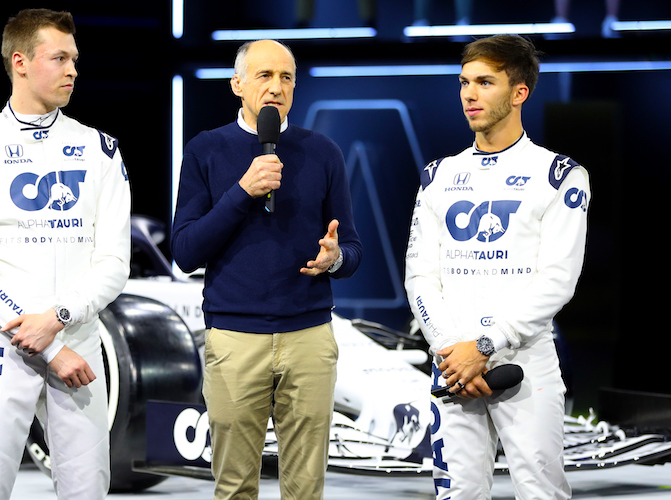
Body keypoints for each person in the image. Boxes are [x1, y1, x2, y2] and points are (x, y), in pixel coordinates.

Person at [0, 8, 131, 499]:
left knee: (88, 492)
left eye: (75, 59)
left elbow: (114, 263)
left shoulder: (102, 150)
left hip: (81, 345)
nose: (73, 70)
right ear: (20, 61)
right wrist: (48, 344)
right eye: (60, 58)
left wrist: (60, 319)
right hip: (3, 348)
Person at [171, 39, 362, 500]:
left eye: (286, 77)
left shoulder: (323, 152)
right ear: (237, 84)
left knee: (305, 489)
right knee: (235, 488)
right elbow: (185, 251)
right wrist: (241, 192)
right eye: (264, 76)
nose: (276, 87)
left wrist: (335, 258)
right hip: (235, 341)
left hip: (309, 339)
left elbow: (353, 250)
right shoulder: (206, 150)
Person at [405, 34, 589, 499]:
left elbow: (557, 281)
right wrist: (453, 353)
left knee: (542, 493)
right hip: (452, 369)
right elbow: (420, 276)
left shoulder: (561, 176)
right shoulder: (437, 176)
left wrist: (485, 346)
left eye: (485, 82)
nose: (469, 94)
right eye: (465, 82)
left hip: (524, 363)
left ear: (519, 92)